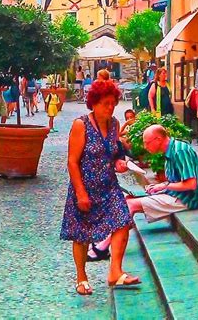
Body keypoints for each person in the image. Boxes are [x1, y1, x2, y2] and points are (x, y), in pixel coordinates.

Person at [60, 77, 138, 294]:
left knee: (123, 220)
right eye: (106, 104)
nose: (110, 108)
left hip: (109, 186)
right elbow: (72, 162)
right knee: (81, 234)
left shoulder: (114, 125)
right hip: (84, 187)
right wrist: (80, 192)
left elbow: (113, 153)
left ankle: (115, 272)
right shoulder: (81, 125)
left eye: (113, 103)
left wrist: (119, 162)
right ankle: (81, 277)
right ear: (93, 103)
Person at [91, 124, 198, 259]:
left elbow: (191, 184)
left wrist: (165, 186)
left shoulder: (180, 151)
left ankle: (102, 247)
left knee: (130, 205)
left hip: (188, 199)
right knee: (127, 199)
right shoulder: (171, 150)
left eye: (147, 143)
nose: (145, 147)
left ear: (158, 139)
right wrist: (160, 186)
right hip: (177, 195)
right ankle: (106, 239)